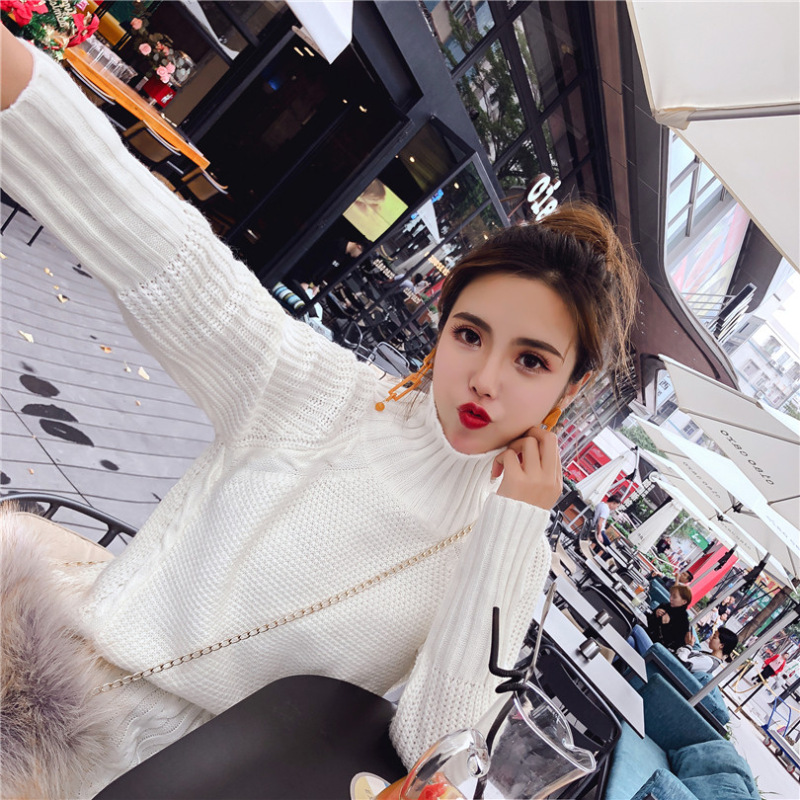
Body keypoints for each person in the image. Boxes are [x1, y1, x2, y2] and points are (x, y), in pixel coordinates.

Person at [0, 28, 639, 799]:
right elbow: (167, 254)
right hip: (56, 705)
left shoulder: (511, 549)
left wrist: (510, 529)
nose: (485, 381)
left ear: (570, 385)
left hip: (209, 785)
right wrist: (20, 82)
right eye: (470, 335)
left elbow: (435, 747)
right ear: (442, 330)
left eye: (531, 361)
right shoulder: (322, 393)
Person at [628, 584, 693, 656]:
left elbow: (671, 647)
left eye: (674, 597)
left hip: (655, 650)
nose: (671, 598)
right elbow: (648, 623)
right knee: (630, 640)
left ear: (684, 602)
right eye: (671, 595)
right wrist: (654, 614)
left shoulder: (683, 622)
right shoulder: (665, 606)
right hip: (644, 639)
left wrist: (665, 625)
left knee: (635, 627)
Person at [591, 493, 622, 558]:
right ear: (613, 503)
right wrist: (599, 534)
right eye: (616, 506)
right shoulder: (606, 509)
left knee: (602, 544)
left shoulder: (600, 504)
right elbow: (599, 523)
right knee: (610, 550)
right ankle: (596, 560)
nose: (615, 508)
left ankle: (590, 555)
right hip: (598, 531)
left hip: (592, 527)